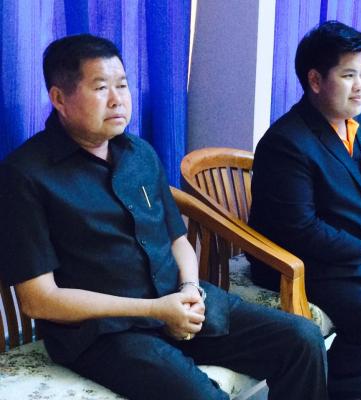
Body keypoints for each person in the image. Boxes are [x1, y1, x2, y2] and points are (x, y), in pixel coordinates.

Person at [0, 34, 328, 400]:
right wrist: (156, 310)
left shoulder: (139, 153)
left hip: (175, 301)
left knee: (302, 339)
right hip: (104, 332)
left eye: (123, 85)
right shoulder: (26, 174)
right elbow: (38, 299)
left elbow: (177, 240)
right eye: (101, 87)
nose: (117, 99)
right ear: (59, 98)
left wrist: (189, 289)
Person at [248, 20, 361, 400]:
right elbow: (301, 230)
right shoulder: (287, 142)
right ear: (315, 80)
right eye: (348, 75)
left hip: (352, 256)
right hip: (301, 264)